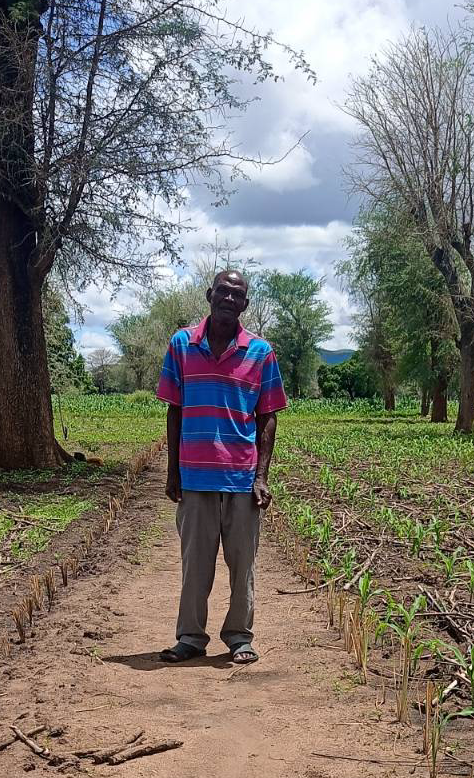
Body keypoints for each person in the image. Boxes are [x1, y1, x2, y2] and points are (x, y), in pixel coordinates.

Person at [154, 270, 288, 665]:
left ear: (245, 304)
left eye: (238, 294)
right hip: (195, 477)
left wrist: (261, 476)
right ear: (210, 295)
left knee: (242, 564)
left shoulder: (261, 352)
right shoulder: (181, 344)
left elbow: (268, 417)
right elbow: (174, 410)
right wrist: (172, 471)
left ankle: (239, 636)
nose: (229, 298)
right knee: (194, 565)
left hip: (242, 477)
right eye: (223, 291)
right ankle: (191, 638)